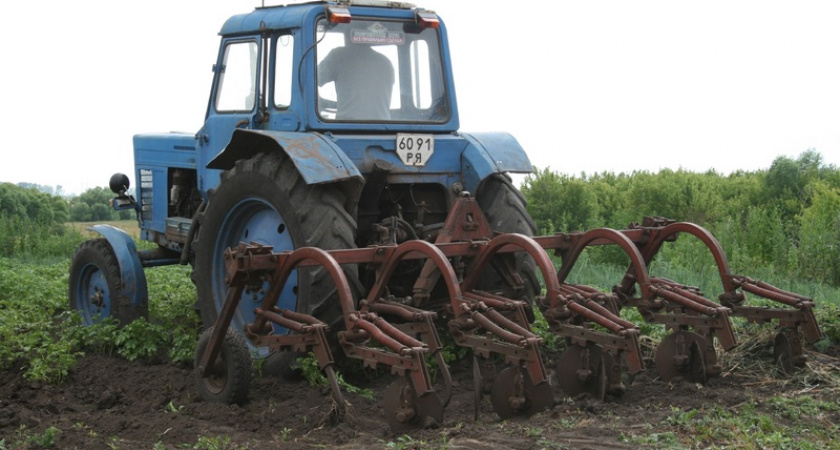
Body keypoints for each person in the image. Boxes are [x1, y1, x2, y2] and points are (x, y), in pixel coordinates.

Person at [318, 40, 395, 120]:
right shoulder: (385, 62)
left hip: (347, 128)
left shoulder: (339, 55)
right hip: (383, 128)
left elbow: (313, 79)